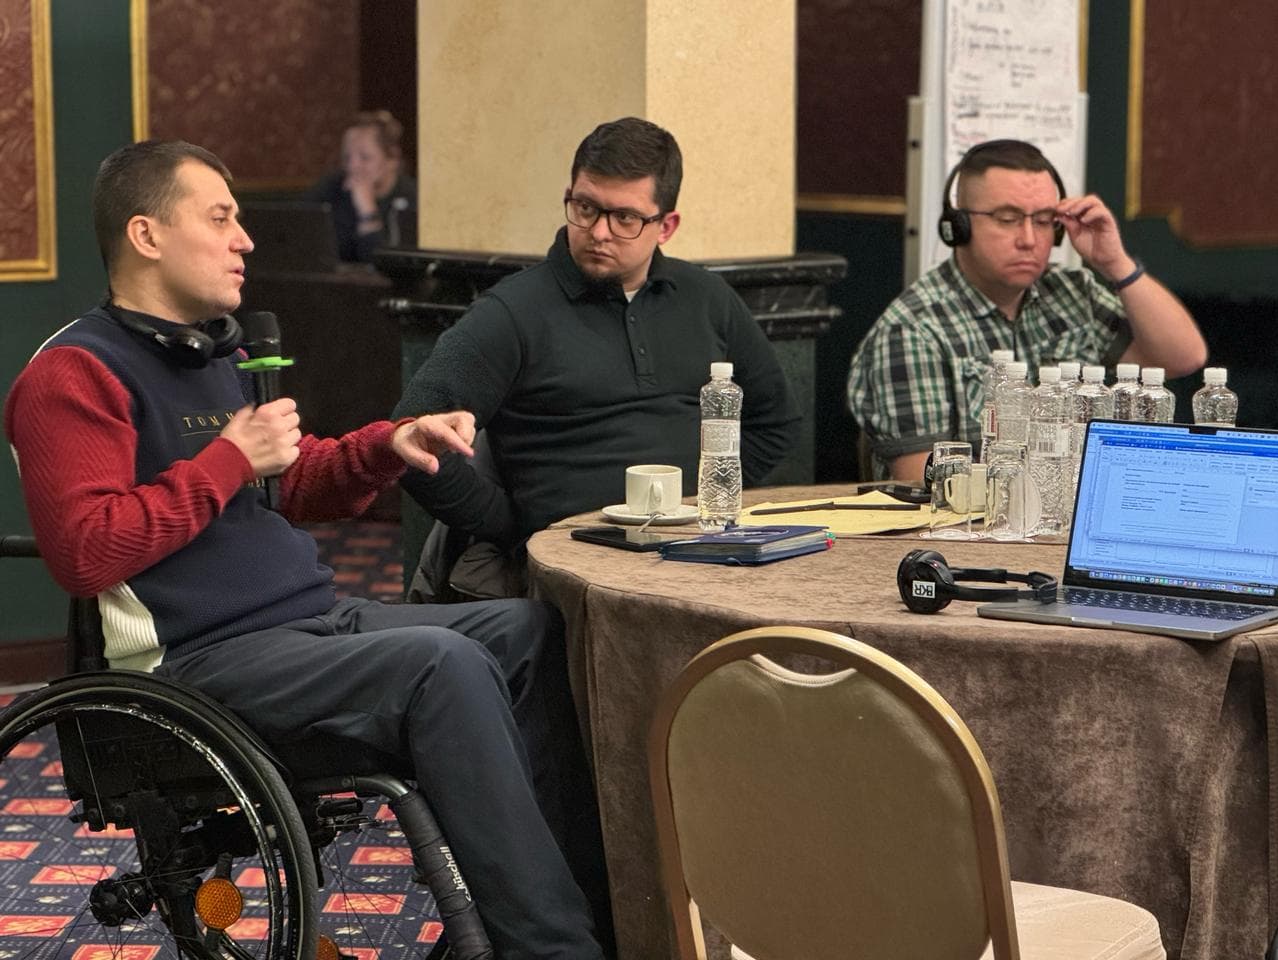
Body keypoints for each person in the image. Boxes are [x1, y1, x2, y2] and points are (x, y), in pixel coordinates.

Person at [3, 139, 607, 960]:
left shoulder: (213, 350)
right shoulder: (73, 375)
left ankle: (575, 911)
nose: (244, 239)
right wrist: (227, 460)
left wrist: (390, 444)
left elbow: (290, 480)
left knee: (530, 632)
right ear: (146, 235)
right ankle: (556, 950)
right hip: (198, 661)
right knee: (442, 663)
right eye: (220, 218)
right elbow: (84, 552)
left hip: (312, 623)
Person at [394, 116, 800, 594]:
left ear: (666, 226)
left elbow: (777, 422)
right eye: (585, 207)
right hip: (571, 568)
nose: (599, 232)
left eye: (624, 218)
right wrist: (511, 525)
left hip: (701, 555)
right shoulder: (512, 311)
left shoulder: (706, 298)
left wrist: (709, 500)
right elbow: (409, 436)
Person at [847, 138, 1208, 482]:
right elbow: (920, 480)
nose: (1030, 239)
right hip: (968, 531)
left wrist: (1115, 263)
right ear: (959, 226)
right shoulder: (914, 329)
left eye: (1042, 220)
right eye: (1007, 218)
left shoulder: (1071, 292)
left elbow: (1183, 357)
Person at [309, 109, 416, 262]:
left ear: (392, 159)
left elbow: (384, 266)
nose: (353, 166)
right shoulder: (331, 189)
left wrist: (367, 211)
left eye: (365, 157)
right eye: (347, 157)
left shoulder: (412, 197)